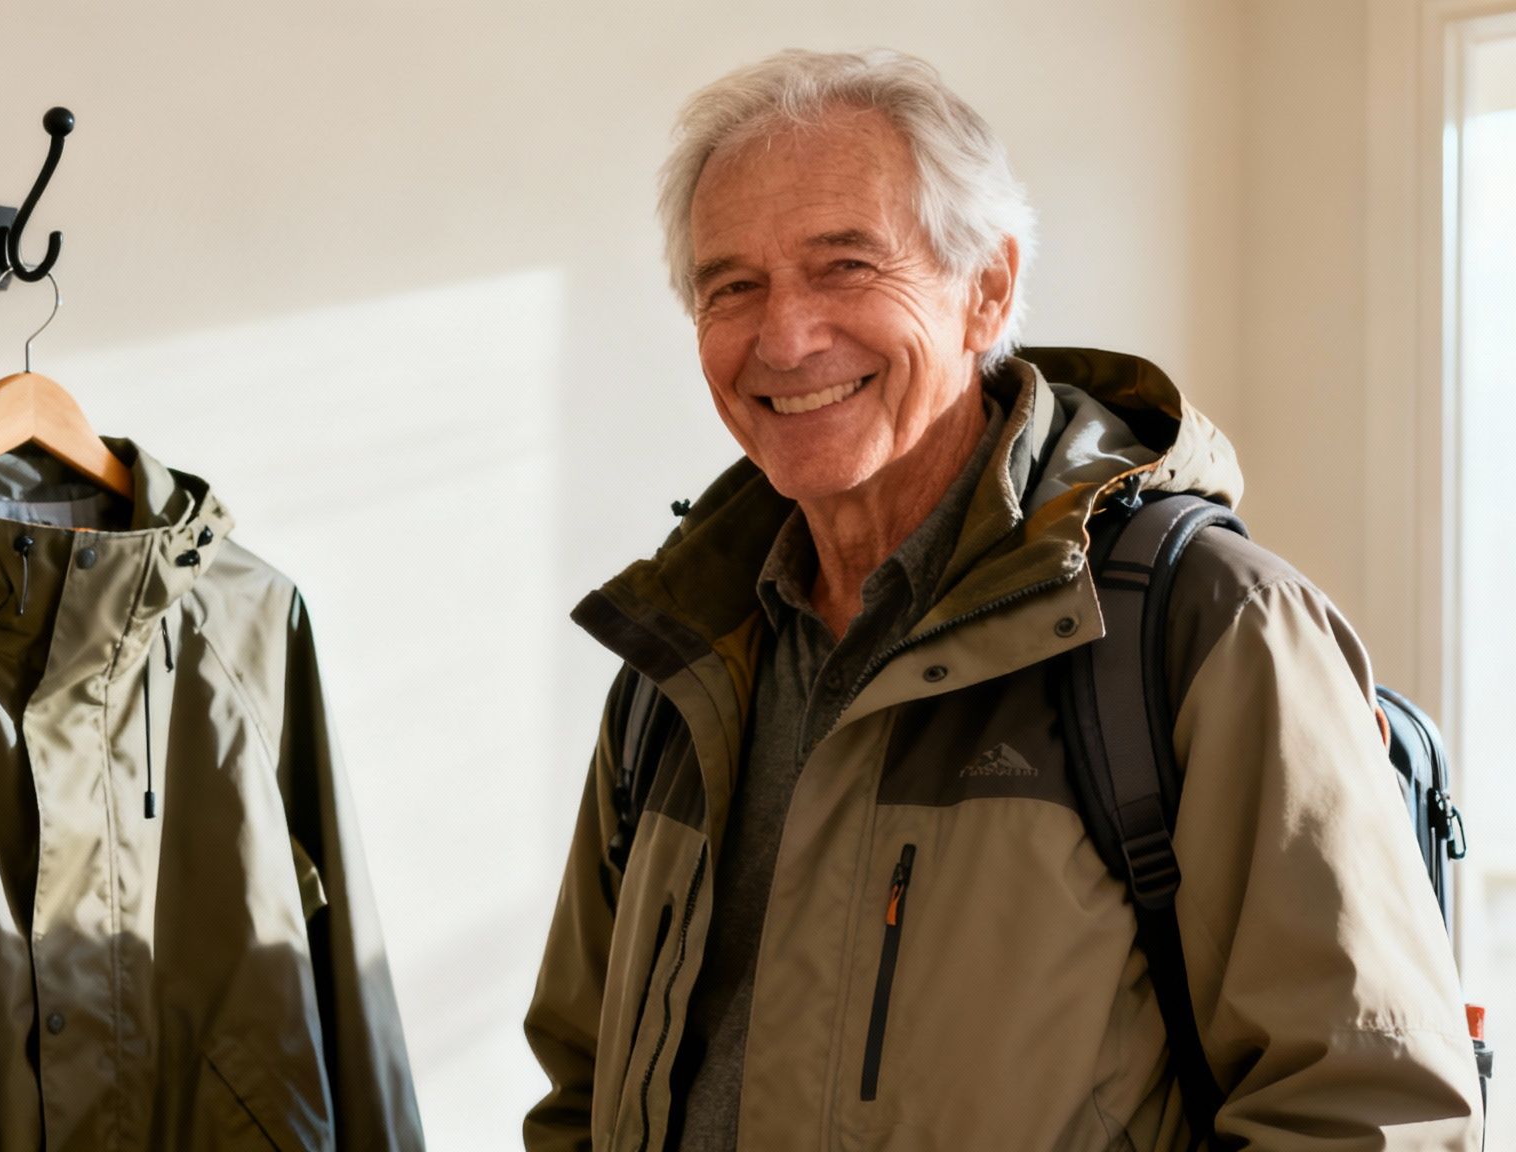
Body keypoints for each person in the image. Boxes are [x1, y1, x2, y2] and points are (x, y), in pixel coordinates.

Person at [523, 47, 1482, 1151]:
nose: (783, 338)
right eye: (730, 286)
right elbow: (579, 1093)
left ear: (985, 289)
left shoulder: (1206, 626)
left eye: (844, 266)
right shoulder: (679, 659)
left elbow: (1365, 1112)